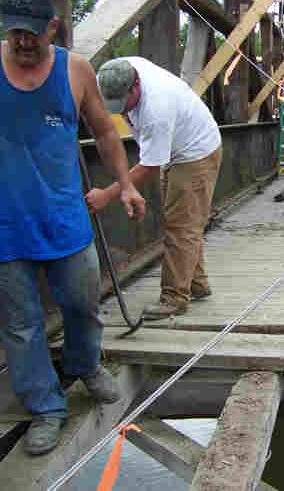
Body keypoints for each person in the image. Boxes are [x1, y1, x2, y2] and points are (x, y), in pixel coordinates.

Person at [0, 0, 146, 455]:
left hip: (65, 216)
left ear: (53, 28)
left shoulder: (75, 69)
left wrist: (123, 183)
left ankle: (86, 365)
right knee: (21, 325)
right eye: (13, 33)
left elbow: (105, 131)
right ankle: (45, 406)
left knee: (83, 304)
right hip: (5, 225)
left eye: (31, 34)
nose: (22, 42)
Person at [89, 56, 222, 319]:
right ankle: (197, 282)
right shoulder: (112, 74)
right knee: (183, 219)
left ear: (135, 86)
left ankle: (174, 297)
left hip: (195, 153)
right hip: (176, 147)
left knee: (181, 226)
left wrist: (106, 195)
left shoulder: (156, 108)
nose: (120, 112)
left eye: (123, 104)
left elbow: (148, 168)